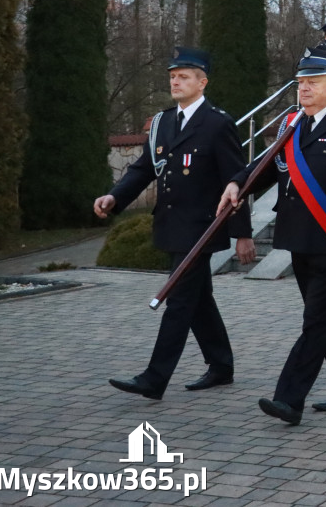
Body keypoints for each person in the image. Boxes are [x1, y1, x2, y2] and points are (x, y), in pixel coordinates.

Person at [218, 51, 326, 426]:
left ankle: (289, 398)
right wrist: (237, 182)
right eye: (300, 83)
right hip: (299, 237)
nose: (304, 88)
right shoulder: (293, 124)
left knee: (316, 320)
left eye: (313, 82)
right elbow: (268, 168)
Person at [98, 47, 255, 400]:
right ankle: (221, 365)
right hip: (171, 223)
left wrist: (242, 233)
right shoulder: (163, 122)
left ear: (202, 82)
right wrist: (116, 197)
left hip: (202, 229)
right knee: (198, 300)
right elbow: (144, 168)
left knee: (179, 301)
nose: (176, 81)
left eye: (183, 76)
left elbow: (236, 181)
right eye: (172, 76)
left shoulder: (217, 123)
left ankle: (155, 378)